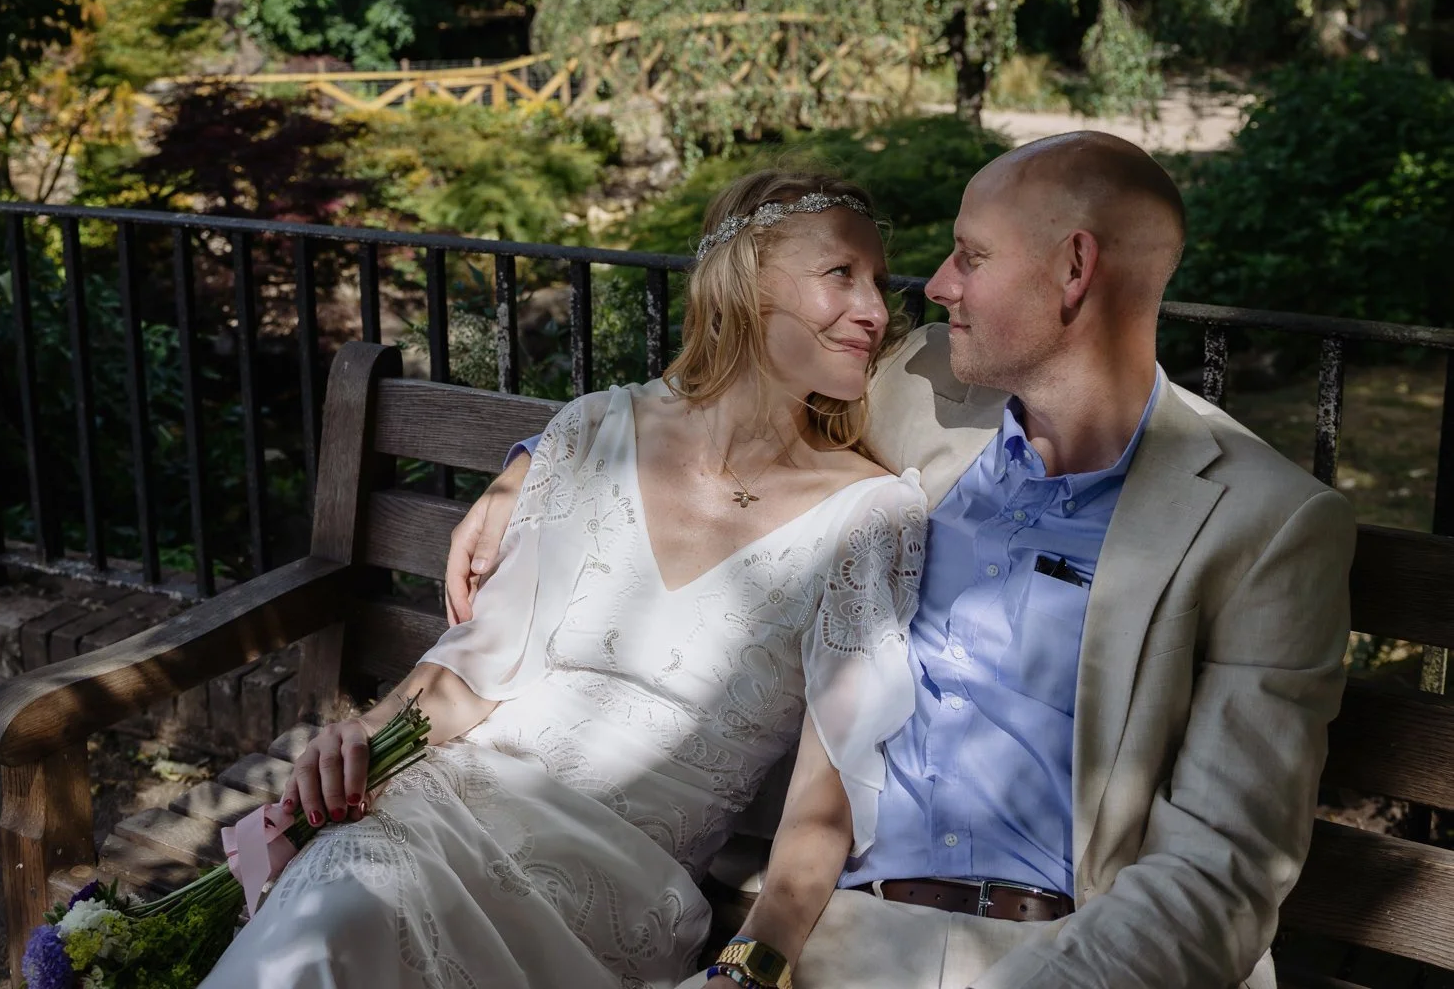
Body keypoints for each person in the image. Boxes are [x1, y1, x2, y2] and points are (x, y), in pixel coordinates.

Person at [448, 132, 1357, 989]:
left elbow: (1221, 874)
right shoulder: (922, 387)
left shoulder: (1264, 525)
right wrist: (528, 464)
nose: (937, 287)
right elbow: (716, 401)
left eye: (972, 255)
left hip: (1068, 951)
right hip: (834, 935)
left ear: (1074, 269)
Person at [199, 168, 929, 989]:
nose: (876, 311)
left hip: (613, 891)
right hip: (447, 806)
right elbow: (475, 667)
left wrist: (749, 967)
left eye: (878, 283)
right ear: (747, 278)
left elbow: (824, 804)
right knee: (336, 913)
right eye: (842, 275)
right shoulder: (592, 431)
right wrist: (369, 732)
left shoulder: (871, 518)